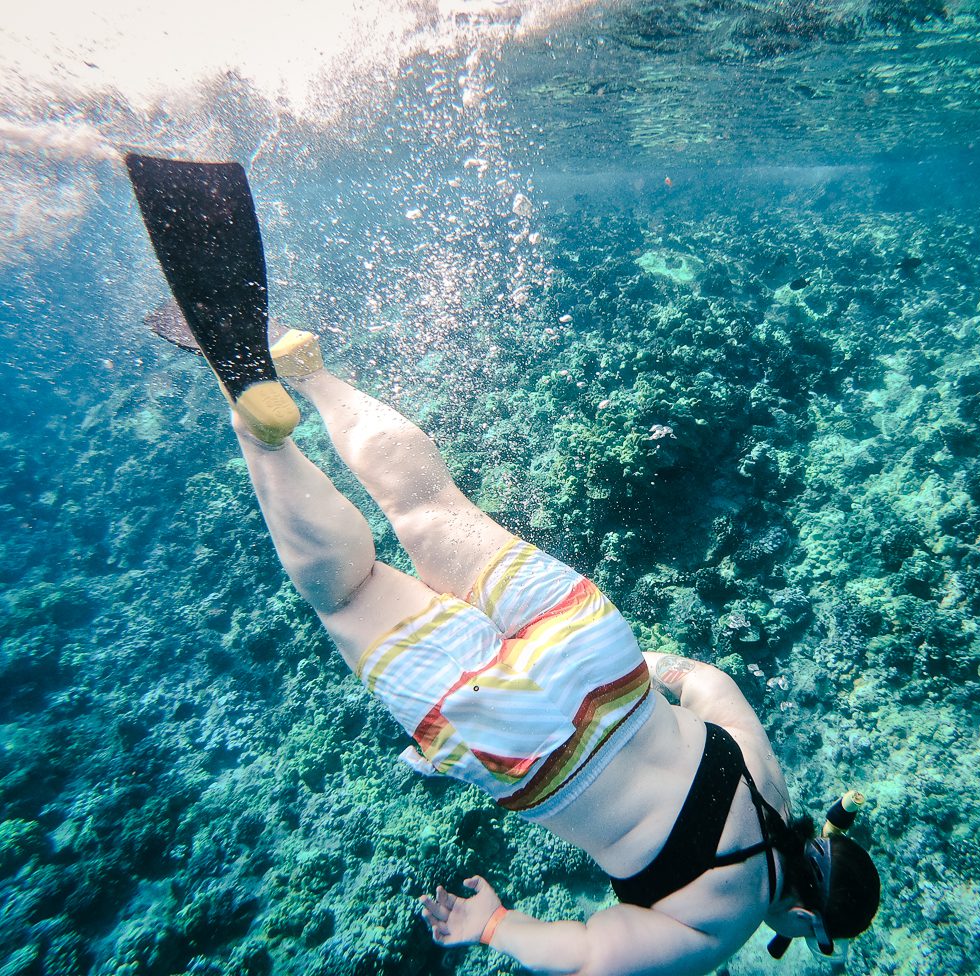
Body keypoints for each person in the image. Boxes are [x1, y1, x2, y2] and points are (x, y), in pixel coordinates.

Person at [125, 154, 881, 976]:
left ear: (830, 841)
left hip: (601, 655)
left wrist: (620, 671)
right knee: (349, 594)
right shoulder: (719, 926)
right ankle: (250, 409)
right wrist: (491, 926)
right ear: (812, 923)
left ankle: (311, 377)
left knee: (429, 503)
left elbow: (700, 679)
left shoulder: (770, 777)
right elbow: (592, 954)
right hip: (528, 751)